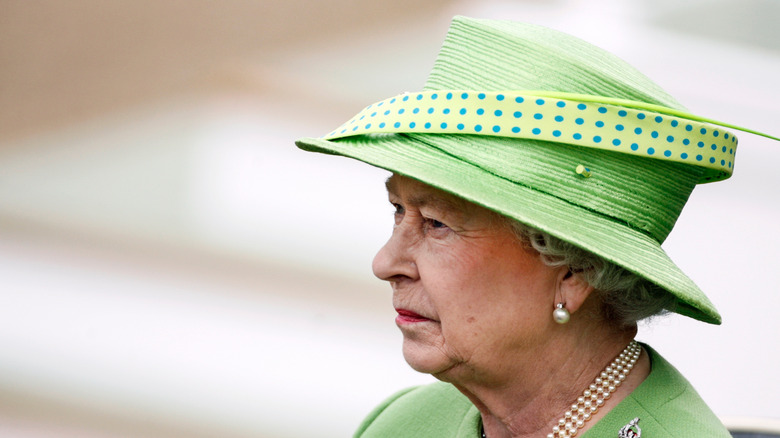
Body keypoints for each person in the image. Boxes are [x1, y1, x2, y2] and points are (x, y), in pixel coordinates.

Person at [295, 16, 775, 438]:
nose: (385, 264)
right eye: (399, 211)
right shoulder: (400, 426)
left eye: (437, 224)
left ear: (575, 271)